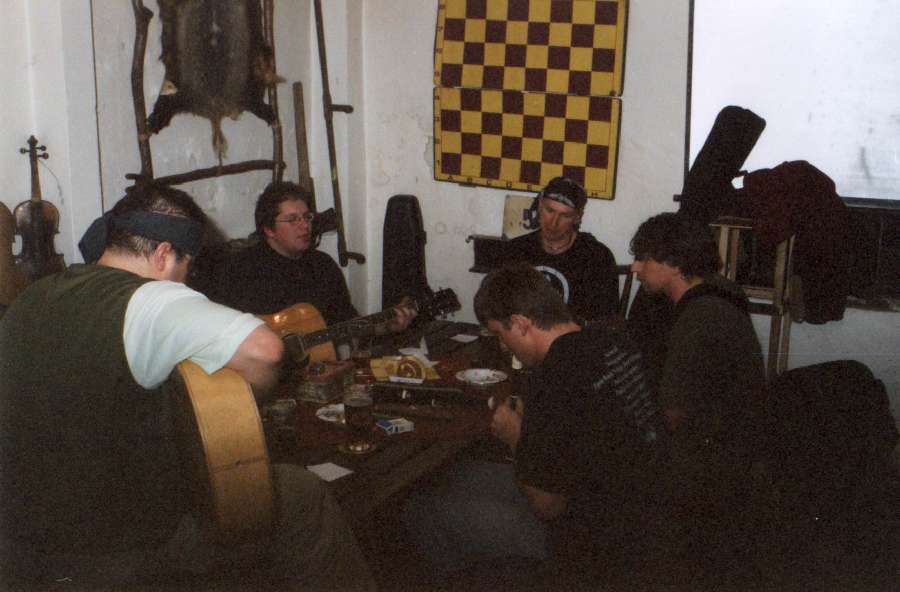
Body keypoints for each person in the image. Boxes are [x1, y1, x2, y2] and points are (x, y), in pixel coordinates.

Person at [0, 183, 375, 591]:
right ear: (163, 255)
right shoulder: (150, 299)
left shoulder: (36, 295)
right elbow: (266, 350)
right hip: (118, 544)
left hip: (22, 538)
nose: (186, 282)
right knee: (301, 492)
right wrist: (252, 398)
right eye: (186, 269)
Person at [403, 262, 665, 588]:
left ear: (520, 324)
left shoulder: (553, 376)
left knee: (423, 508)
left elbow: (547, 505)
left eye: (500, 334)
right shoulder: (613, 337)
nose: (503, 346)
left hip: (591, 537)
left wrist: (517, 435)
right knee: (456, 475)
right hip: (645, 506)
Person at [629, 212, 766, 588]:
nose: (636, 267)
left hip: (710, 469)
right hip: (738, 453)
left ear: (674, 265)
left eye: (644, 258)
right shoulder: (721, 290)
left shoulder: (699, 320)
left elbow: (671, 417)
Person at [214, 181, 414, 336]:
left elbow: (348, 323)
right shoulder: (241, 269)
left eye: (307, 217)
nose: (305, 226)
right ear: (269, 229)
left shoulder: (323, 266)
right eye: (292, 219)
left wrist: (386, 326)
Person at [502, 176, 618, 324]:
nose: (553, 222)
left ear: (578, 217)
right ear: (539, 205)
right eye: (549, 210)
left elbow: (605, 320)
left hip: (574, 336)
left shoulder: (597, 257)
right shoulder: (516, 250)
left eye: (565, 215)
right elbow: (498, 308)